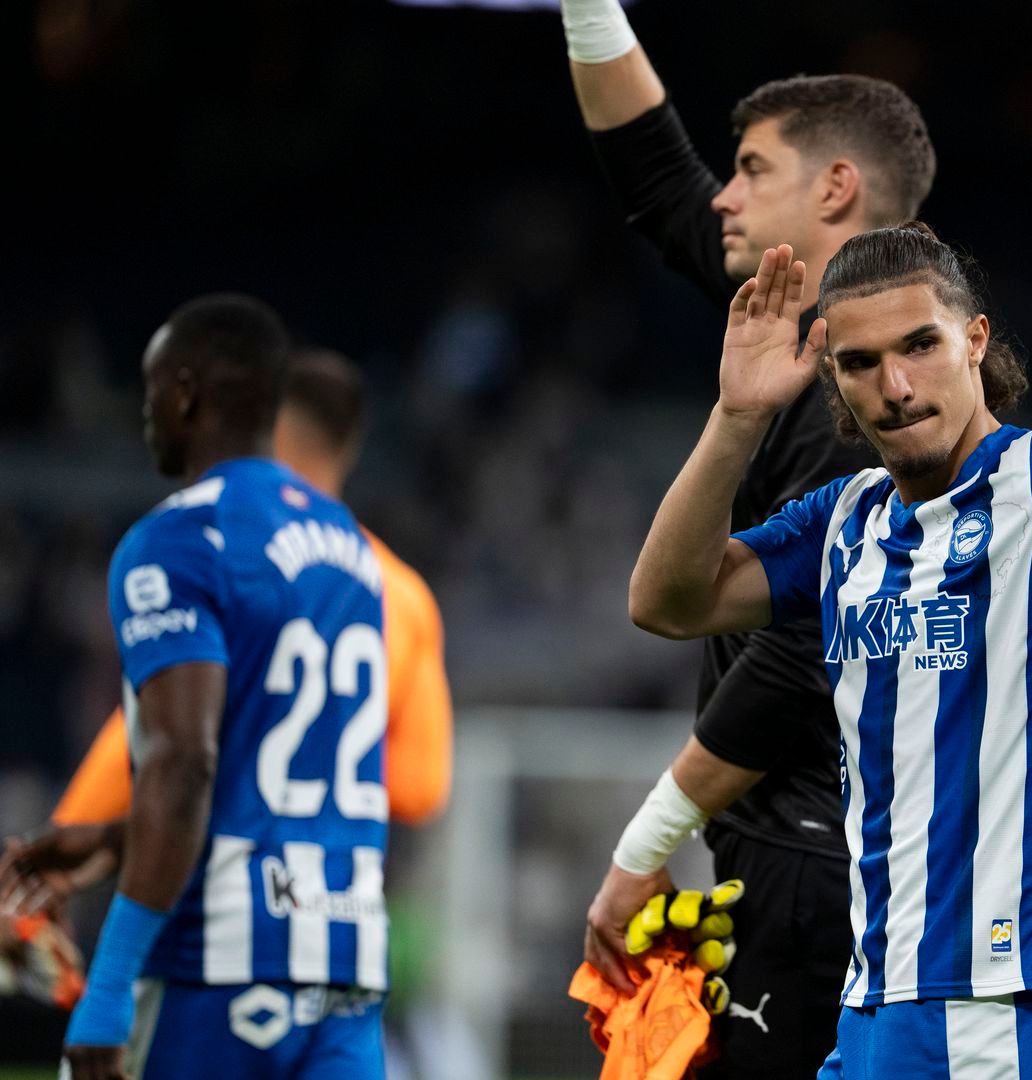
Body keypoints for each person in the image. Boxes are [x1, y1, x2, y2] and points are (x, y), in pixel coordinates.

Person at [625, 140, 1032, 1077]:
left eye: (921, 346)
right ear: (834, 377)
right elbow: (668, 602)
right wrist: (737, 417)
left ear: (977, 341)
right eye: (863, 363)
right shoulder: (844, 519)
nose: (898, 387)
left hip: (1002, 998)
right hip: (874, 996)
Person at [557, 3, 936, 1073]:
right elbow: (653, 182)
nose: (722, 194)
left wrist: (643, 847)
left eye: (753, 169)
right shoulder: (811, 335)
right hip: (814, 853)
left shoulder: (865, 394)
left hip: (818, 863)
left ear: (835, 190)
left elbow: (800, 652)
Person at [4, 296, 393, 1079]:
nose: (144, 414)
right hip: (346, 965)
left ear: (182, 392)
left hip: (215, 973)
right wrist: (113, 842)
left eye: (148, 391)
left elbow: (185, 763)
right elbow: (270, 785)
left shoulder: (178, 539)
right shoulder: (350, 547)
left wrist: (108, 987)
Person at [1, 350, 452, 922]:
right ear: (350, 447)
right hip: (342, 917)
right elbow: (422, 785)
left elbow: (154, 733)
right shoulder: (406, 594)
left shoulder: (229, 559)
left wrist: (49, 866)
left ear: (270, 431)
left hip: (224, 917)